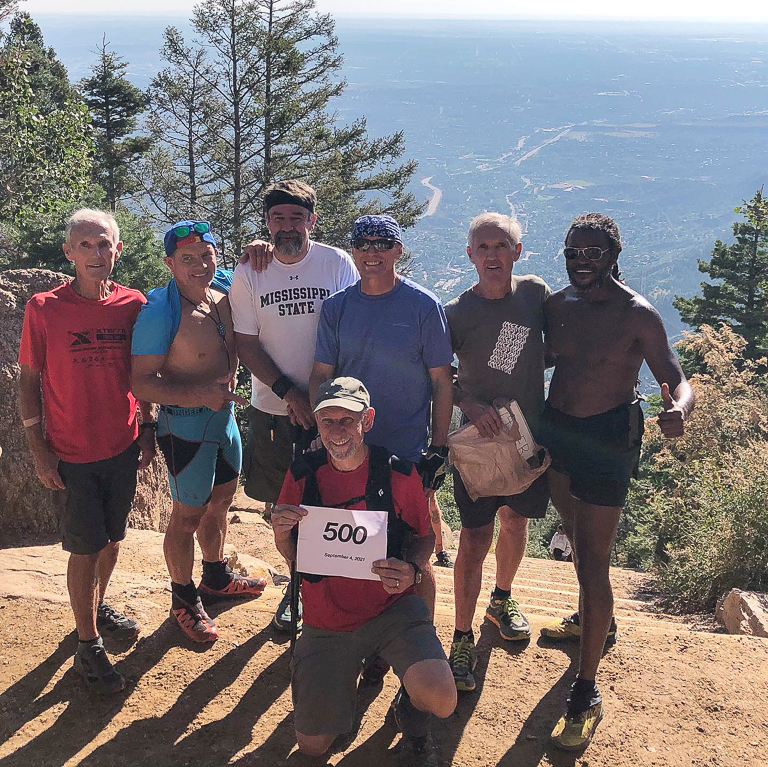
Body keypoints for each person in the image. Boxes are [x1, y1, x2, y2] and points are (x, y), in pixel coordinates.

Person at [541, 212, 694, 750]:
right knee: (573, 537)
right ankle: (594, 622)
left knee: (593, 559)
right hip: (559, 432)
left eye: (593, 253)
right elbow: (534, 357)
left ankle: (585, 691)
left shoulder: (637, 315)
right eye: (573, 252)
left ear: (613, 256)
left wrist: (679, 409)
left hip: (609, 437)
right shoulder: (556, 306)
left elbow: (676, 377)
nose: (581, 261)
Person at [271, 377, 456, 764]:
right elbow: (293, 557)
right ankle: (346, 680)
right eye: (327, 421)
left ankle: (410, 709)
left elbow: (423, 537)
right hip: (327, 621)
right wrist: (281, 533)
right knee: (312, 746)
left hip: (390, 610)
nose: (337, 431)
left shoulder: (398, 474)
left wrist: (412, 569)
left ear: (367, 421)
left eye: (347, 420)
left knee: (442, 697)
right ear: (317, 424)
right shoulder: (302, 474)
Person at [308, 213, 454, 680]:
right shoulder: (336, 308)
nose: (372, 253)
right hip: (350, 451)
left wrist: (438, 449)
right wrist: (323, 434)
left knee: (414, 550)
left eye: (381, 244)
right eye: (363, 244)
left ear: (397, 251)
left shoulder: (423, 306)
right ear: (353, 251)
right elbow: (321, 376)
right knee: (357, 550)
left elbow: (442, 381)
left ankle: (421, 644)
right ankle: (368, 644)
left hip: (405, 450)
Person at [17, 208, 156, 694]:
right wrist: (38, 450)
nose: (96, 253)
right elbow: (28, 381)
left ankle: (95, 607)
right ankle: (87, 644)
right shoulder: (44, 308)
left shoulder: (133, 304)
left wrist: (148, 428)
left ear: (117, 250)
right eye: (85, 245)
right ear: (69, 252)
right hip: (71, 452)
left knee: (113, 539)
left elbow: (144, 371)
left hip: (122, 445)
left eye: (104, 245)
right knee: (84, 547)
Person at [230, 180, 358, 632]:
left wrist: (327, 400)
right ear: (267, 222)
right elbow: (246, 344)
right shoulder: (250, 271)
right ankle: (298, 588)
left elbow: (354, 326)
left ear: (312, 221)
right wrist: (290, 393)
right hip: (274, 408)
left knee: (337, 499)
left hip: (335, 410)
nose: (287, 226)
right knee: (284, 505)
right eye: (278, 218)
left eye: (296, 217)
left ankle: (336, 586)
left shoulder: (335, 263)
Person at [131, 220, 266, 644]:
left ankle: (215, 576)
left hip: (223, 421)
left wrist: (258, 248)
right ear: (169, 263)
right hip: (184, 425)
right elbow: (139, 382)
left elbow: (254, 269)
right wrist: (198, 396)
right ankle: (183, 597)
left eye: (206, 255)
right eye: (187, 258)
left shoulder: (223, 286)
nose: (200, 265)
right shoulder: (160, 312)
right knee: (187, 515)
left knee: (221, 502)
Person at [443, 212, 551, 692]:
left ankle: (501, 599)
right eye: (483, 247)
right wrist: (468, 403)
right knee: (473, 536)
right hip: (479, 444)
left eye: (501, 245)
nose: (492, 255)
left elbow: (556, 345)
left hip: (527, 437)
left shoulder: (534, 294)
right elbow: (436, 374)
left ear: (517, 252)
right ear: (470, 254)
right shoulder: (455, 312)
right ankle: (461, 636)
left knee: (516, 521)